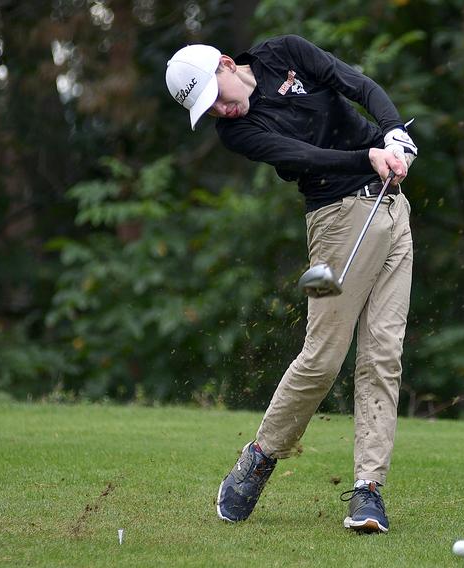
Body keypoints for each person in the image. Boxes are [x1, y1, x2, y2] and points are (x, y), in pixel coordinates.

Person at [164, 34, 417, 534]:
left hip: (394, 211)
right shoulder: (238, 133)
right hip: (338, 220)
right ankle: (260, 456)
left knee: (383, 355)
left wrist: (392, 133)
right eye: (206, 111)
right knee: (323, 357)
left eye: (215, 98)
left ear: (227, 65)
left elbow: (356, 84)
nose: (219, 112)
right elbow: (304, 155)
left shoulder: (285, 52)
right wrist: (369, 156)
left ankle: (368, 492)